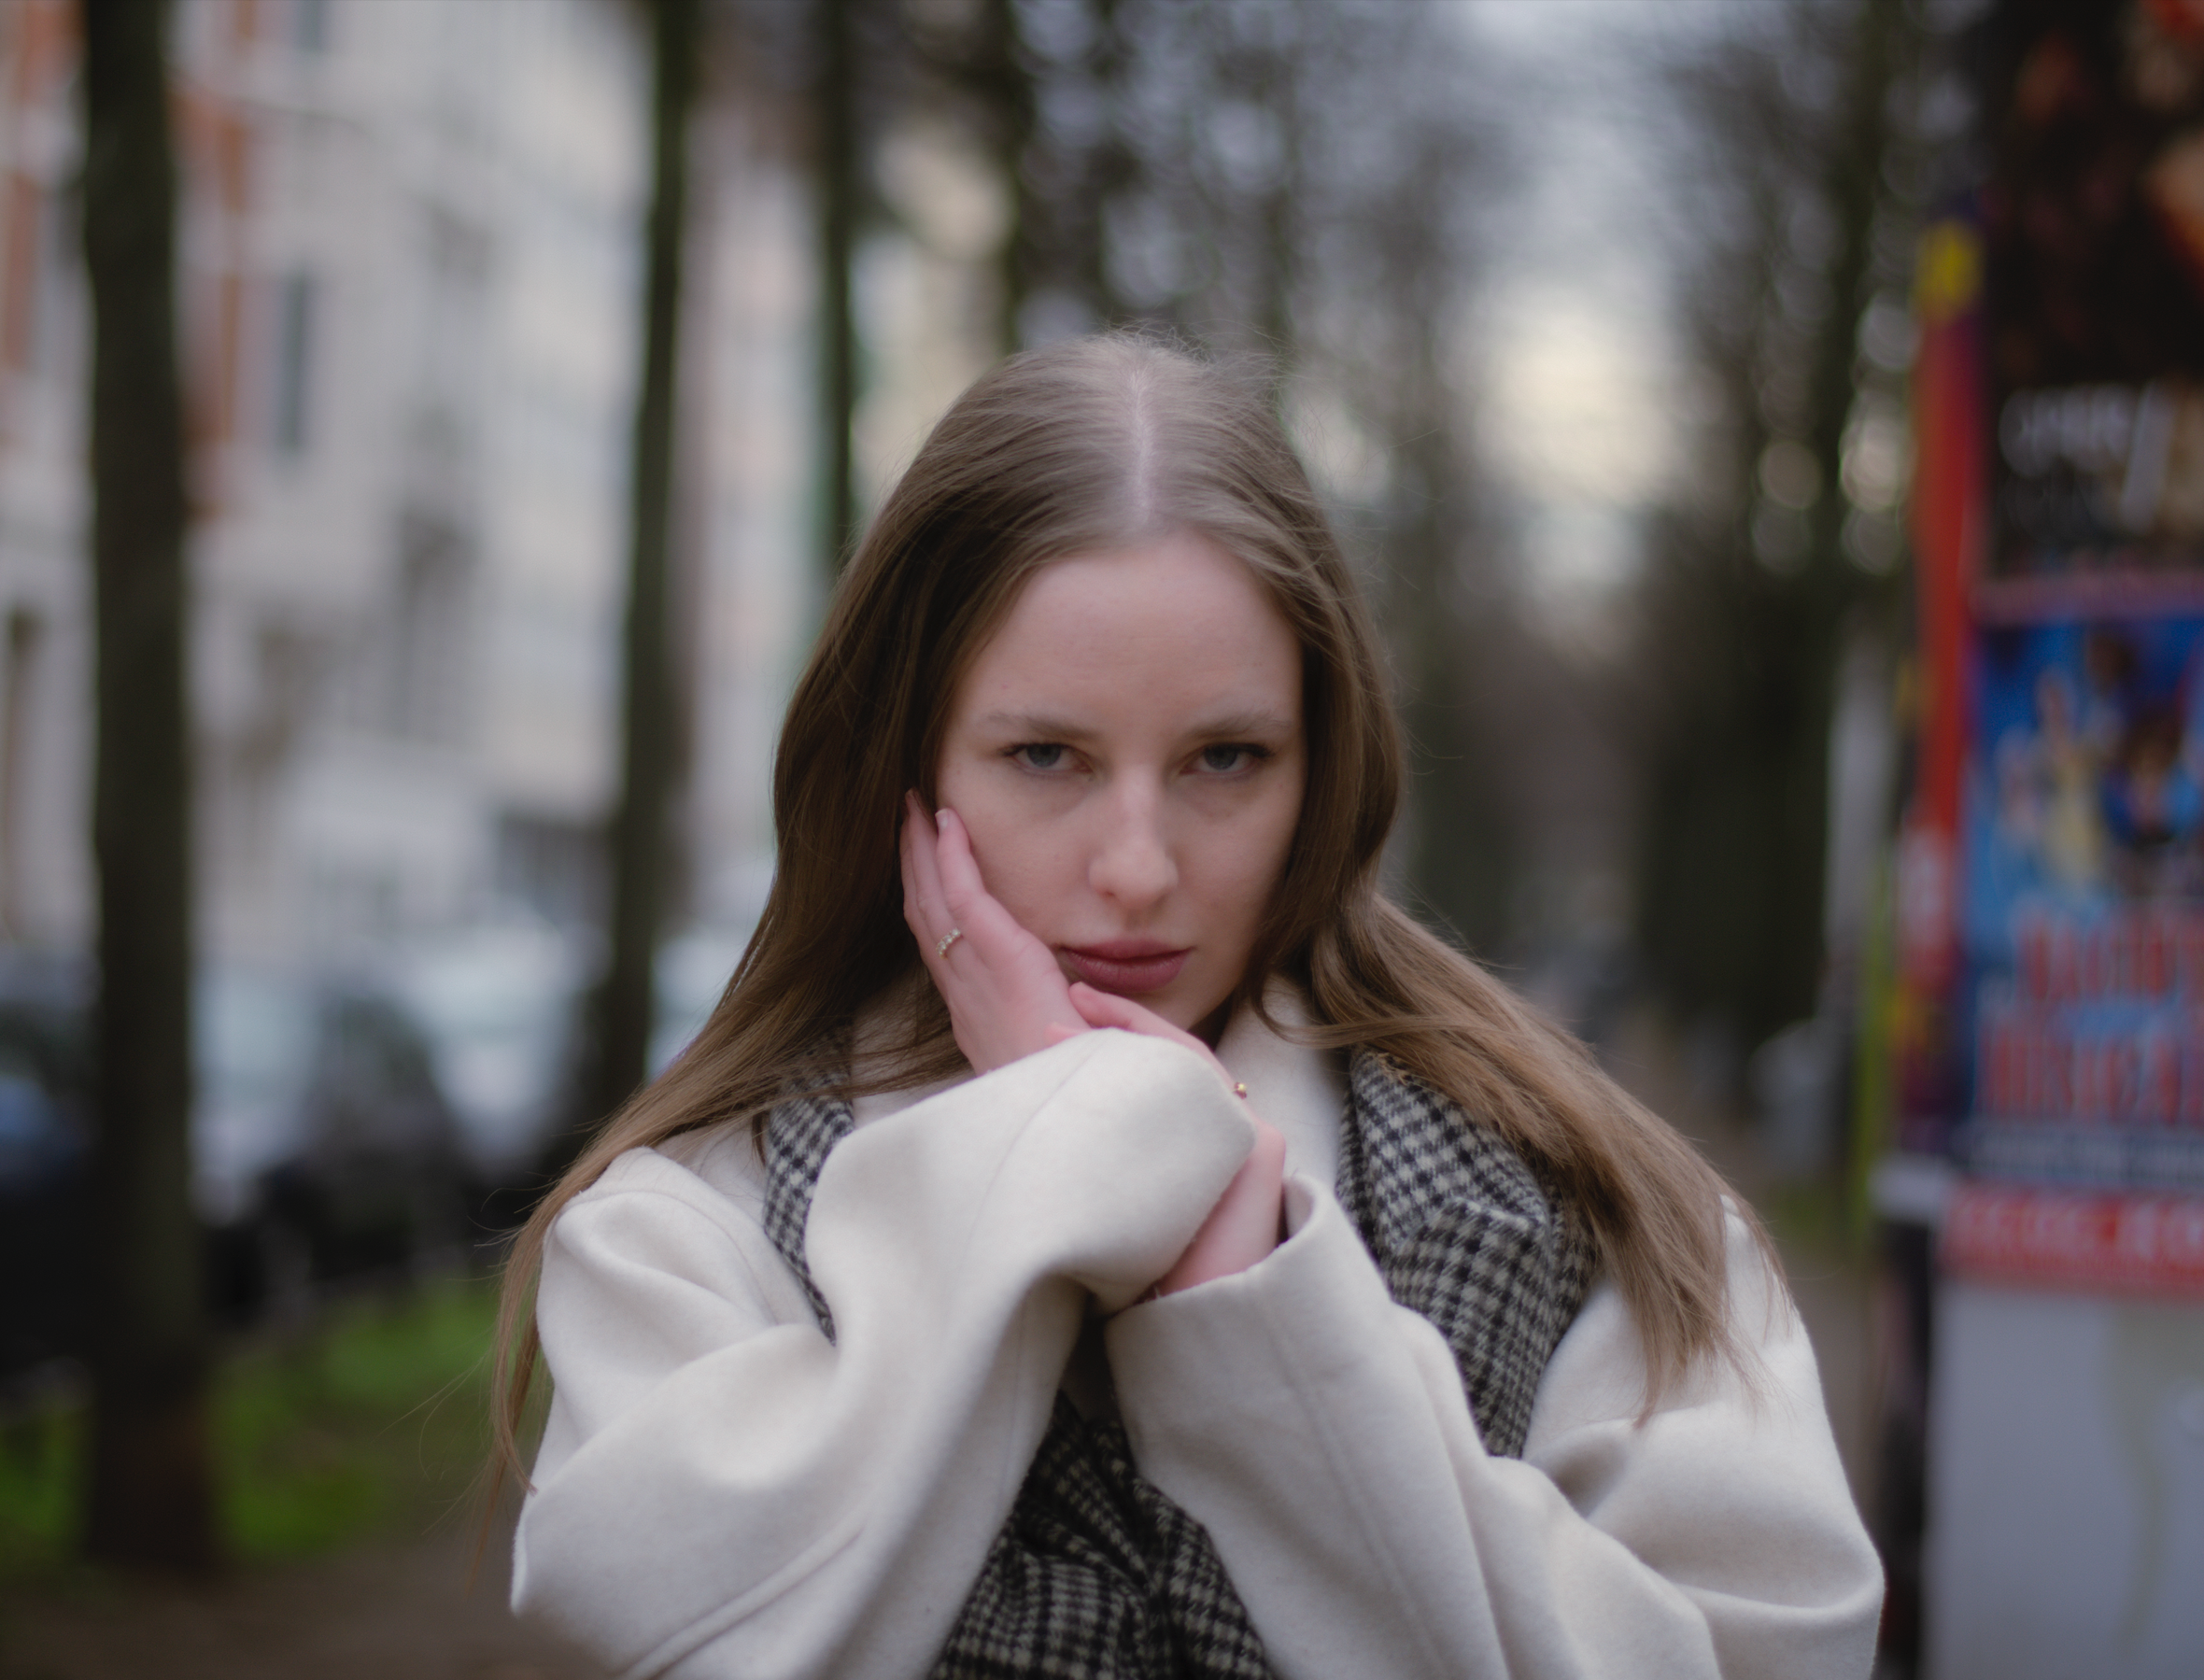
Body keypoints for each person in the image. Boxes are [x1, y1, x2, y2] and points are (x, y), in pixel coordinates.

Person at [492, 334, 1883, 1679]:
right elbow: (680, 1629)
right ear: (900, 764)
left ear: (1322, 763)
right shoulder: (687, 1232)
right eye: (1047, 754)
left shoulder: (1605, 1218)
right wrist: (1074, 1151)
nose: (1141, 868)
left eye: (1226, 757)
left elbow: (1770, 1640)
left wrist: (1243, 1309)